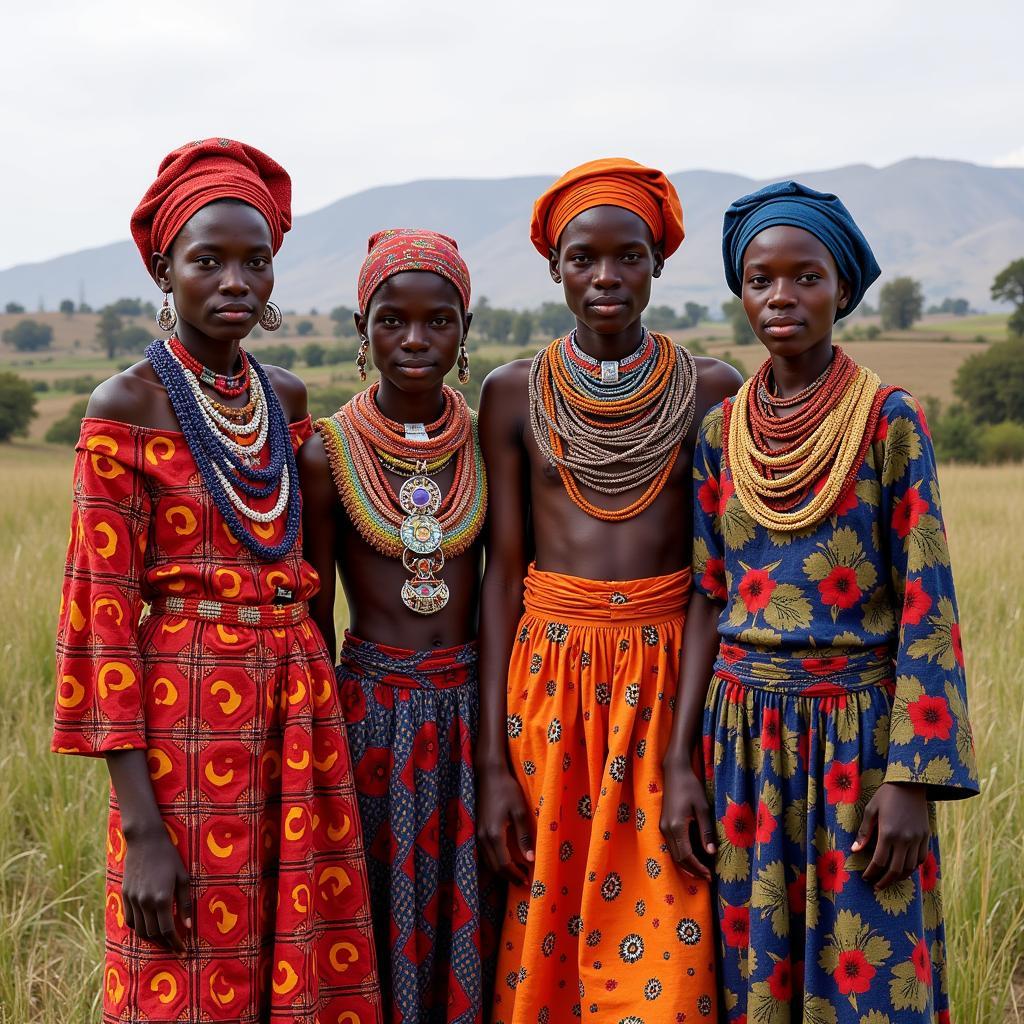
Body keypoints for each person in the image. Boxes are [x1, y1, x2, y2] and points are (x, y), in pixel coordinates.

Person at [52, 139, 380, 1024]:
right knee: (190, 970)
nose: (236, 280)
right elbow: (101, 621)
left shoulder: (286, 396)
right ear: (167, 269)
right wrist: (142, 827)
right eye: (209, 261)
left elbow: (310, 572)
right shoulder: (125, 408)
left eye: (255, 261)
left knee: (303, 953)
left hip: (301, 716)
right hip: (187, 730)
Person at [662, 180, 979, 1023]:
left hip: (861, 743)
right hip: (740, 741)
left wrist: (912, 779)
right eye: (761, 278)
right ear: (740, 291)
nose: (781, 296)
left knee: (874, 981)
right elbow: (706, 596)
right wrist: (678, 762)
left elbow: (929, 605)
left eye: (806, 277)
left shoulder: (889, 422)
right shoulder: (718, 431)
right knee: (751, 981)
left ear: (844, 287)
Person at [475, 158, 742, 1023]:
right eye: (583, 258)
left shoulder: (711, 389)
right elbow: (500, 578)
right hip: (549, 686)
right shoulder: (512, 395)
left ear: (658, 264)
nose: (605, 278)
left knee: (671, 938)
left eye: (628, 256)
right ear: (554, 269)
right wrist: (492, 765)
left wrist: (682, 753)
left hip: (668, 683)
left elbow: (713, 581)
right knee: (546, 930)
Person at [300, 228, 494, 1024]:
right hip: (368, 718)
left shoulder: (488, 442)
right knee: (375, 914)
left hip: (476, 713)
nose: (415, 340)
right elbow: (313, 616)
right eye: (391, 320)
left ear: (465, 332)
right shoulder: (326, 452)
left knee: (475, 909)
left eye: (439, 321)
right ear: (361, 330)